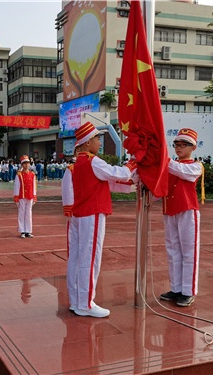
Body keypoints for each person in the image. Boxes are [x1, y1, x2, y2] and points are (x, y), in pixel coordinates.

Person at [61, 122, 136, 318]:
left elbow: (106, 182)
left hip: (80, 215)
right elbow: (117, 174)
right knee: (90, 258)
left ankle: (77, 301)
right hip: (92, 213)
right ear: (86, 143)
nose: (99, 142)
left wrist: (128, 182)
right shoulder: (93, 161)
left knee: (77, 258)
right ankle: (86, 303)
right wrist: (133, 163)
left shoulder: (78, 163)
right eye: (96, 139)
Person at [160, 128, 203, 307]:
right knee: (173, 250)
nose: (178, 148)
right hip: (170, 210)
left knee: (189, 252)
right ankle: (176, 288)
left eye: (183, 145)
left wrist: (162, 158)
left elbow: (180, 171)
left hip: (187, 211)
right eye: (176, 145)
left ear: (192, 147)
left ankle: (188, 291)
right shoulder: (170, 166)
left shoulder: (196, 166)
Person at [13, 155, 37, 238]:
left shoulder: (32, 174)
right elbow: (16, 186)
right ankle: (22, 230)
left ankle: (28, 231)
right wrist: (16, 197)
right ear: (22, 165)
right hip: (22, 196)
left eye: (27, 163)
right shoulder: (19, 175)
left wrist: (34, 196)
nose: (26, 165)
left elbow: (34, 186)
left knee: (28, 213)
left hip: (30, 196)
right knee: (21, 213)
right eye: (24, 163)